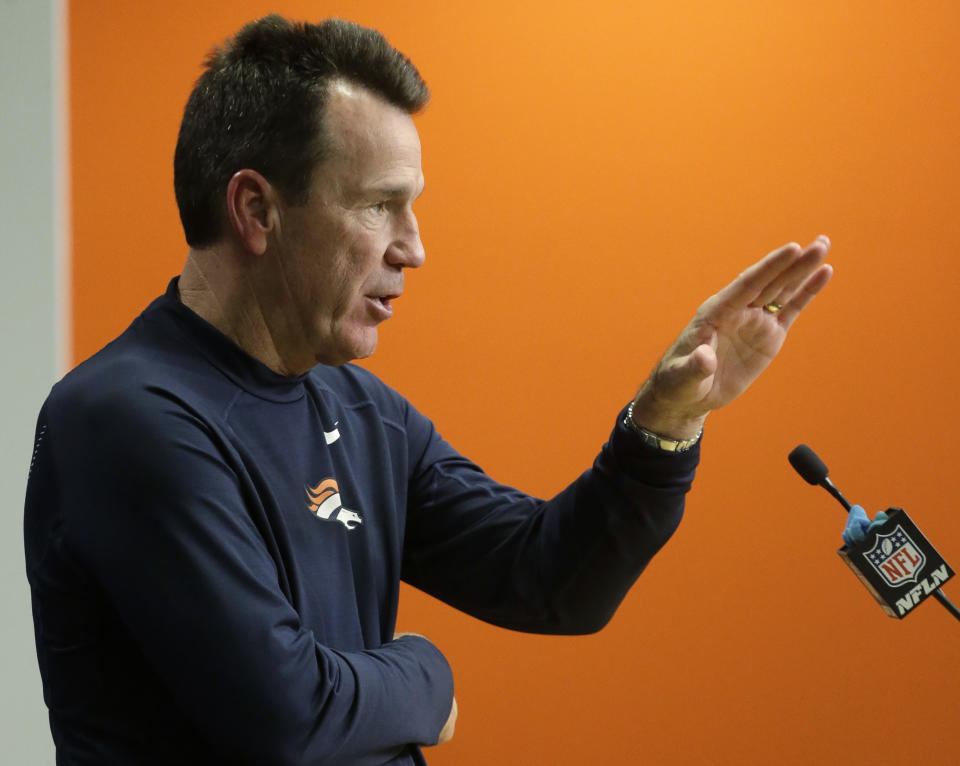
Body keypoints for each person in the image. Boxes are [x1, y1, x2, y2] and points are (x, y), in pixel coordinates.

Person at [23, 15, 832, 766]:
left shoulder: (360, 411)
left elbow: (553, 579)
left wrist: (667, 421)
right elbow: (286, 715)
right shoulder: (127, 419)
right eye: (381, 206)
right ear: (257, 209)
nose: (414, 249)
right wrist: (428, 670)